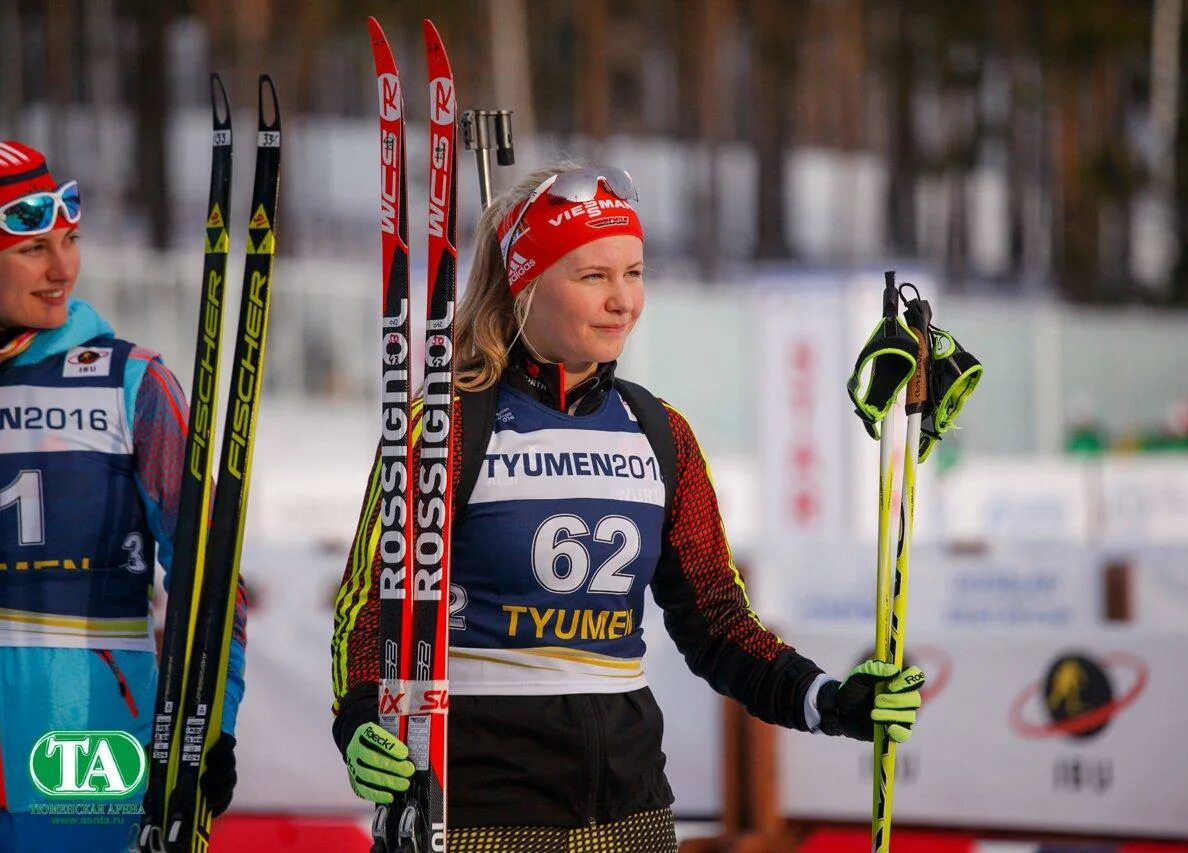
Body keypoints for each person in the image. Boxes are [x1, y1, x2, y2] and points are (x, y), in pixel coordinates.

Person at [330, 163, 925, 852]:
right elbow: (369, 604)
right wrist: (361, 715)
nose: (624, 301)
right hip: (477, 817)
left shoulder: (658, 431)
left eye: (634, 273)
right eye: (593, 276)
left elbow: (717, 619)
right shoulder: (448, 427)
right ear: (524, 283)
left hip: (631, 818)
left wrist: (824, 697)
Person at [0, 141, 245, 851]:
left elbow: (210, 573)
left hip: (86, 757)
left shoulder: (129, 383)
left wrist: (212, 725)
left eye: (70, 240)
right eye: (31, 248)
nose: (64, 268)